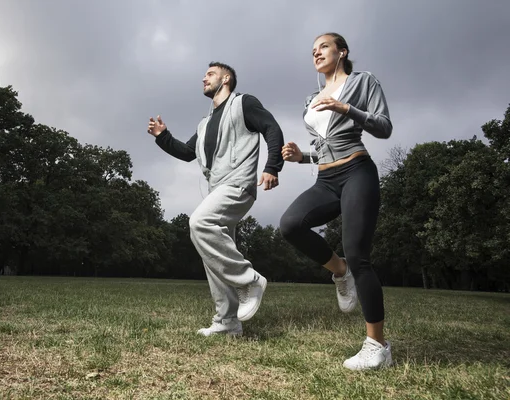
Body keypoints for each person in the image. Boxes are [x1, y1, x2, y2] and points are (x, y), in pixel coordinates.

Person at [279, 32, 393, 370]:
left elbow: (384, 127)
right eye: (313, 50)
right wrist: (302, 157)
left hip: (357, 171)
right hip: (326, 178)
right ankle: (339, 270)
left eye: (323, 46)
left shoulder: (362, 82)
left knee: (360, 255)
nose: (316, 52)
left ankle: (378, 345)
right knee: (290, 225)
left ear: (341, 52)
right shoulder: (311, 98)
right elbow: (325, 143)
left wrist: (346, 107)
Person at [147, 62, 285, 337]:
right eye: (204, 74)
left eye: (210, 74)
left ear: (226, 78)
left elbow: (271, 128)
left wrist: (272, 166)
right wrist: (163, 137)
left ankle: (250, 281)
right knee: (213, 253)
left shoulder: (243, 103)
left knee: (199, 223)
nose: (204, 78)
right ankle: (227, 322)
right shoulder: (206, 122)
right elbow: (188, 152)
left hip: (238, 183)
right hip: (217, 189)